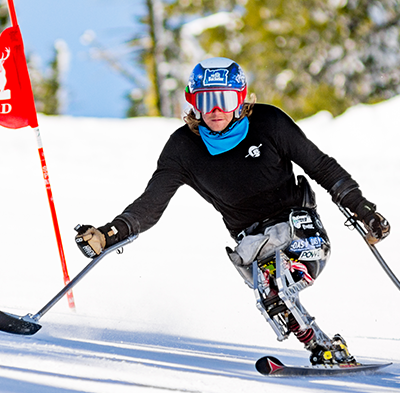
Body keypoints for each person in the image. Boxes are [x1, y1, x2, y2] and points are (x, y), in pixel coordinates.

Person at [75, 57, 390, 366]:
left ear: (240, 99)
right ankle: (324, 348)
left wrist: (361, 208)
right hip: (251, 242)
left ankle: (321, 341)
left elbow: (321, 166)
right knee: (271, 297)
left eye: (224, 100)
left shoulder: (269, 123)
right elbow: (151, 203)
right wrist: (109, 233)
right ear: (192, 101)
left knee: (281, 283)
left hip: (298, 226)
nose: (215, 110)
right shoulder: (183, 148)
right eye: (206, 100)